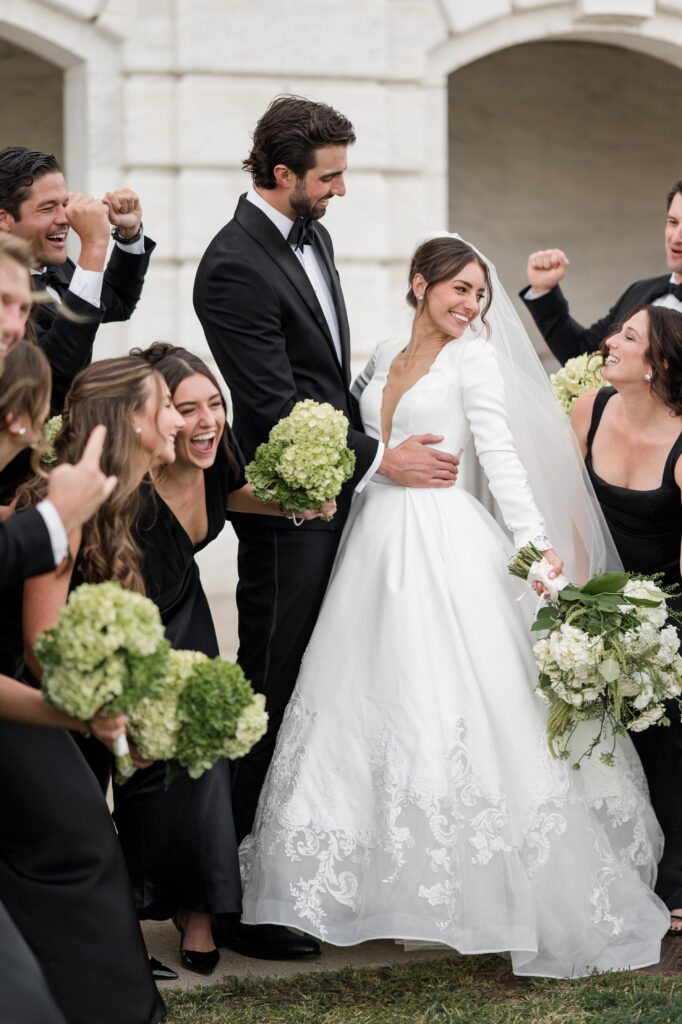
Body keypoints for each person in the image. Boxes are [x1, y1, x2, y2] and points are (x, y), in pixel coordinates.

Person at [239, 236, 669, 978]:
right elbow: (362, 443)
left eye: (479, 294)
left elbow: (498, 458)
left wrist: (535, 555)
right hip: (371, 542)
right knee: (363, 704)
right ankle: (375, 885)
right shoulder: (378, 355)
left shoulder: (473, 360)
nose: (470, 304)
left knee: (456, 708)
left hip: (443, 543)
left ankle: (483, 889)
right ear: (419, 285)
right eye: (458, 289)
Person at [194, 98, 460, 948]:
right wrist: (383, 458)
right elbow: (273, 408)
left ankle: (298, 867)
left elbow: (325, 374)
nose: (341, 190)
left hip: (336, 499)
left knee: (320, 690)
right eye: (330, 176)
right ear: (283, 175)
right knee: (270, 689)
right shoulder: (232, 265)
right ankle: (233, 898)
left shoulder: (315, 236)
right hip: (287, 513)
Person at [0, 348, 164, 1024]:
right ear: (131, 420)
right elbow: (43, 648)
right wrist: (95, 705)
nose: (180, 425)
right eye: (166, 410)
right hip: (25, 699)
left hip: (51, 708)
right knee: (82, 854)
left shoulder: (119, 503)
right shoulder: (56, 503)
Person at [571, 304, 682, 936]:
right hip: (593, 596)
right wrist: (576, 608)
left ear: (660, 364)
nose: (610, 341)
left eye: (628, 337)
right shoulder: (589, 409)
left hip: (666, 607)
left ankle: (674, 881)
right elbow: (570, 508)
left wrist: (660, 638)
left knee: (667, 734)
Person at [0, 147, 155, 412]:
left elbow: (118, 302)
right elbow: (55, 373)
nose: (65, 219)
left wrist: (129, 234)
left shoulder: (53, 266)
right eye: (47, 208)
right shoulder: (7, 292)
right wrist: (93, 246)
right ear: (4, 219)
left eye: (65, 204)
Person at [521, 180, 682, 365]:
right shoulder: (639, 290)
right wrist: (544, 291)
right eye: (672, 222)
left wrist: (608, 396)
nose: (676, 237)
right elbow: (583, 354)